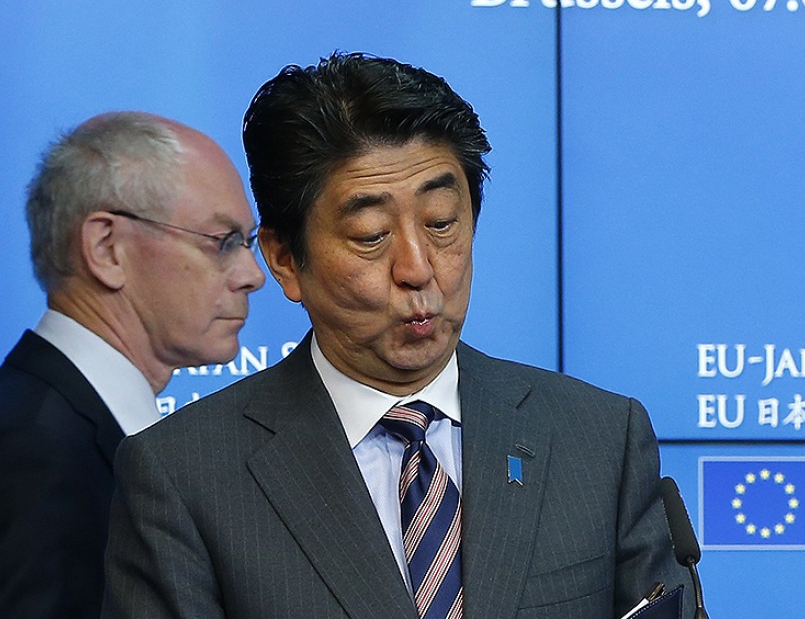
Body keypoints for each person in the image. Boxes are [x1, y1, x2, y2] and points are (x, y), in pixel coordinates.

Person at [102, 54, 691, 619]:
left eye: (441, 225)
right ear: (284, 258)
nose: (418, 267)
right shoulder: (184, 476)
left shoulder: (599, 442)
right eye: (370, 234)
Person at [0, 111, 266, 618]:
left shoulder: (66, 430)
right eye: (223, 242)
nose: (253, 275)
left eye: (247, 242)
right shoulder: (38, 453)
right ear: (107, 249)